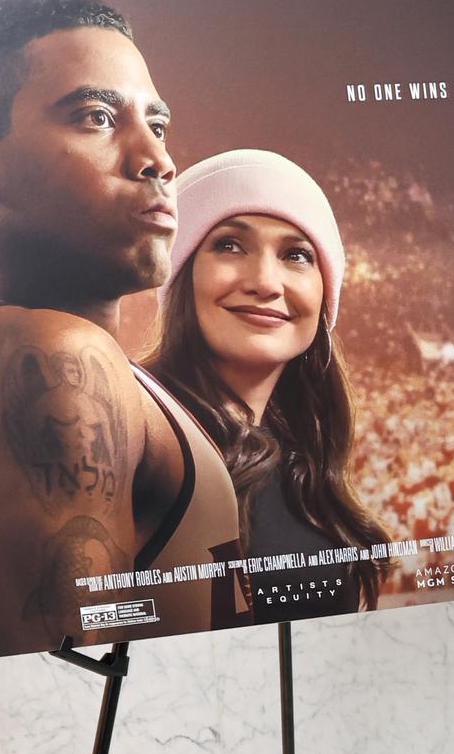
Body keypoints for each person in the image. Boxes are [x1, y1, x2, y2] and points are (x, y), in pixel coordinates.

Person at [0, 0, 242, 658]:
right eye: (95, 117)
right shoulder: (47, 355)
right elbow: (71, 686)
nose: (157, 160)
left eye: (158, 124)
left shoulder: (59, 355)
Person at [147, 149, 388, 619]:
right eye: (230, 246)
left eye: (296, 255)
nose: (265, 282)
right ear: (179, 273)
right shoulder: (132, 430)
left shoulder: (305, 462)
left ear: (324, 294)